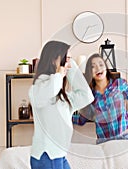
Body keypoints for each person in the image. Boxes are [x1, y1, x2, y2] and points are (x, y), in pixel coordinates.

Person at [28, 41, 94, 169]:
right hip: (47, 156)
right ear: (54, 59)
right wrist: (59, 73)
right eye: (67, 59)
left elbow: (86, 95)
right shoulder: (39, 88)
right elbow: (50, 90)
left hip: (58, 155)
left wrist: (70, 66)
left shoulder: (63, 96)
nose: (69, 64)